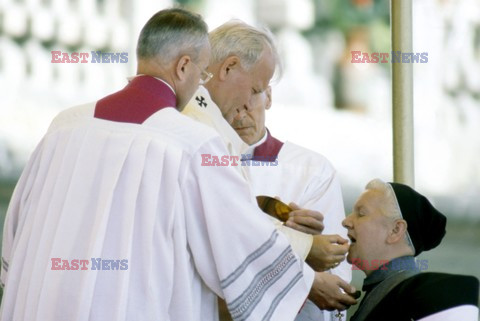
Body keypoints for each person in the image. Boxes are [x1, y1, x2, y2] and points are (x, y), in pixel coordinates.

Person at [0, 8, 356, 321]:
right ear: (184, 66)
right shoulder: (191, 143)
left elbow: (14, 235)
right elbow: (234, 239)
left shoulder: (64, 125)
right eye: (202, 75)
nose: (202, 87)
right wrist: (306, 268)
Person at [182, 21, 351, 321]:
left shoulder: (311, 171)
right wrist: (292, 241)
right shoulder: (192, 145)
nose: (243, 109)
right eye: (248, 90)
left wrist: (308, 244)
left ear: (269, 97)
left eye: (257, 93)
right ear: (227, 70)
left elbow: (333, 277)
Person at [342, 178, 479, 321]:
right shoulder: (389, 290)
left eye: (361, 214)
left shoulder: (423, 296)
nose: (346, 221)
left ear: (395, 230)